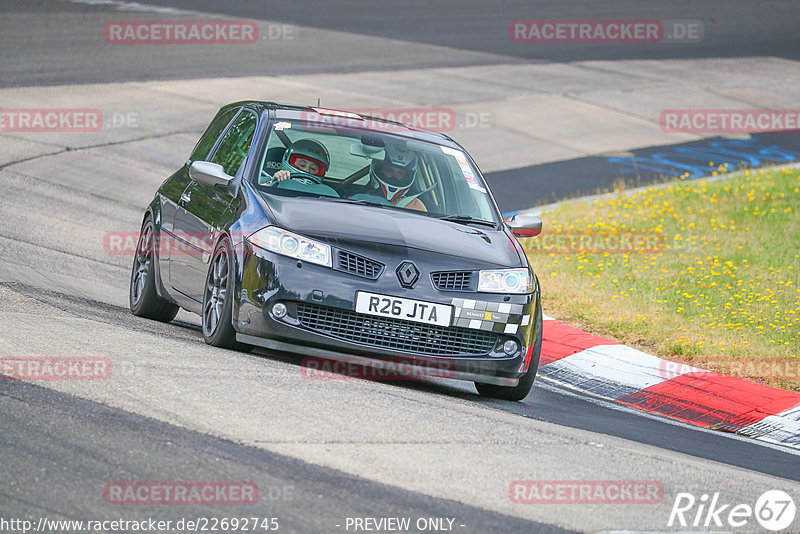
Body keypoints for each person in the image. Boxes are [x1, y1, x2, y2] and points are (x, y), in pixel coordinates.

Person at [354, 145, 427, 212]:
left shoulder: (416, 206)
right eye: (389, 171)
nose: (394, 177)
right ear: (380, 170)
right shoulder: (358, 201)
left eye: (400, 174)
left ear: (406, 177)